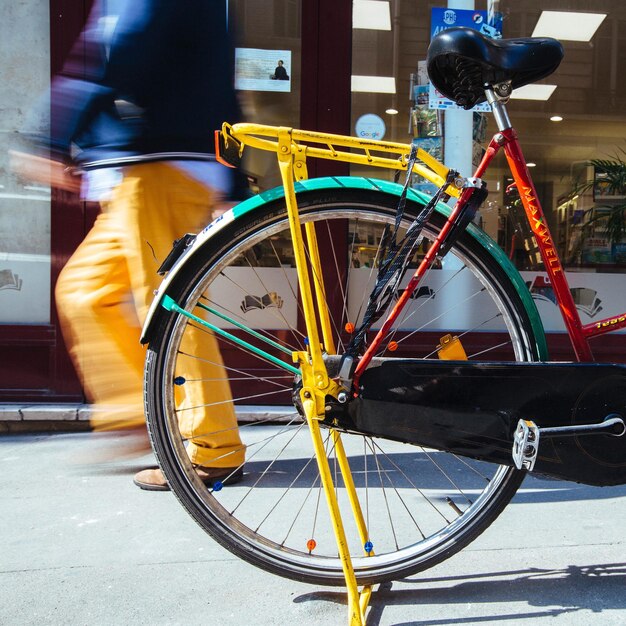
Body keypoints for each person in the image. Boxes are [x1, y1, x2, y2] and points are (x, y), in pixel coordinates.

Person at [12, 0, 246, 490]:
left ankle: (213, 446)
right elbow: (220, 84)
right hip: (140, 169)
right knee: (84, 292)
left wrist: (53, 138)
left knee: (173, 313)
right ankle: (139, 418)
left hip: (163, 168)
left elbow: (123, 57)